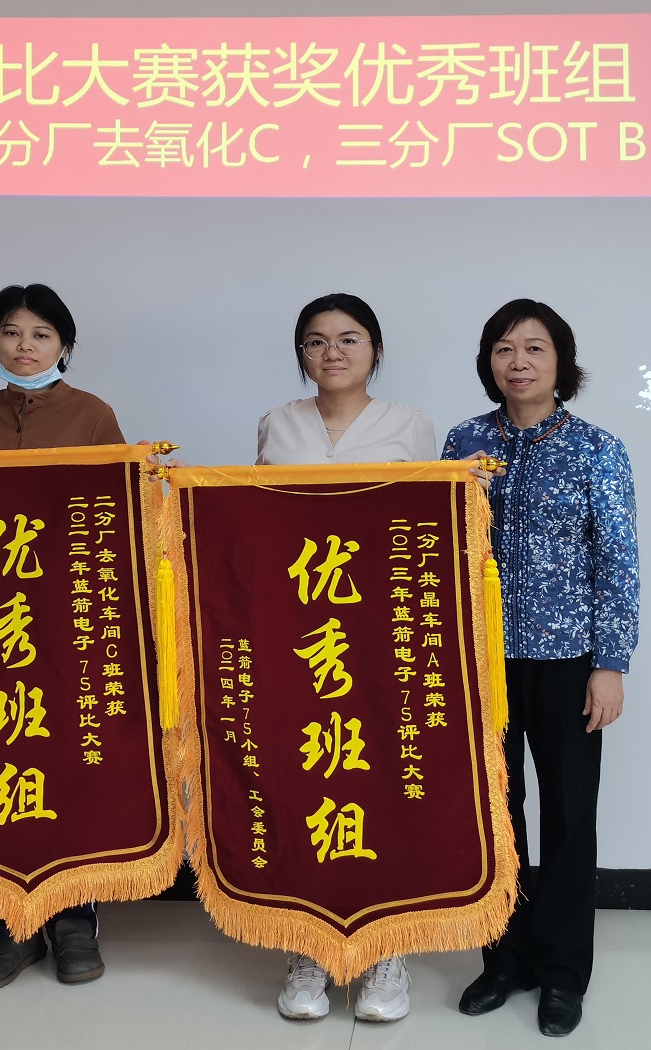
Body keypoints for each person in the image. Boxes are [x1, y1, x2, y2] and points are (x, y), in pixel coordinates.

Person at [442, 299, 638, 1038]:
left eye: (534, 348)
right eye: (503, 348)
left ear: (562, 362)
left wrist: (610, 663)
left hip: (568, 662)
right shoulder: (465, 442)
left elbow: (617, 560)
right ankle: (504, 959)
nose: (518, 362)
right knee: (495, 813)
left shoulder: (597, 449)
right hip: (482, 660)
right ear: (488, 362)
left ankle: (562, 972)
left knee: (568, 814)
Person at [257, 293, 438, 1024]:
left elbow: (429, 529)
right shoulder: (277, 423)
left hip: (379, 634)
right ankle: (309, 951)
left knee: (382, 776)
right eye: (316, 340)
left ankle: (386, 953)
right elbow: (255, 523)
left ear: (375, 350)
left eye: (349, 338)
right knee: (304, 776)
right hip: (300, 634)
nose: (332, 352)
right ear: (301, 353)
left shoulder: (410, 425)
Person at [0, 283, 121, 990]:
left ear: (64, 346)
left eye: (41, 334)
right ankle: (5, 928)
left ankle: (75, 920)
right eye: (11, 332)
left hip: (67, 619)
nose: (25, 346)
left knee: (69, 759)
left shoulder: (93, 413)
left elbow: (116, 512)